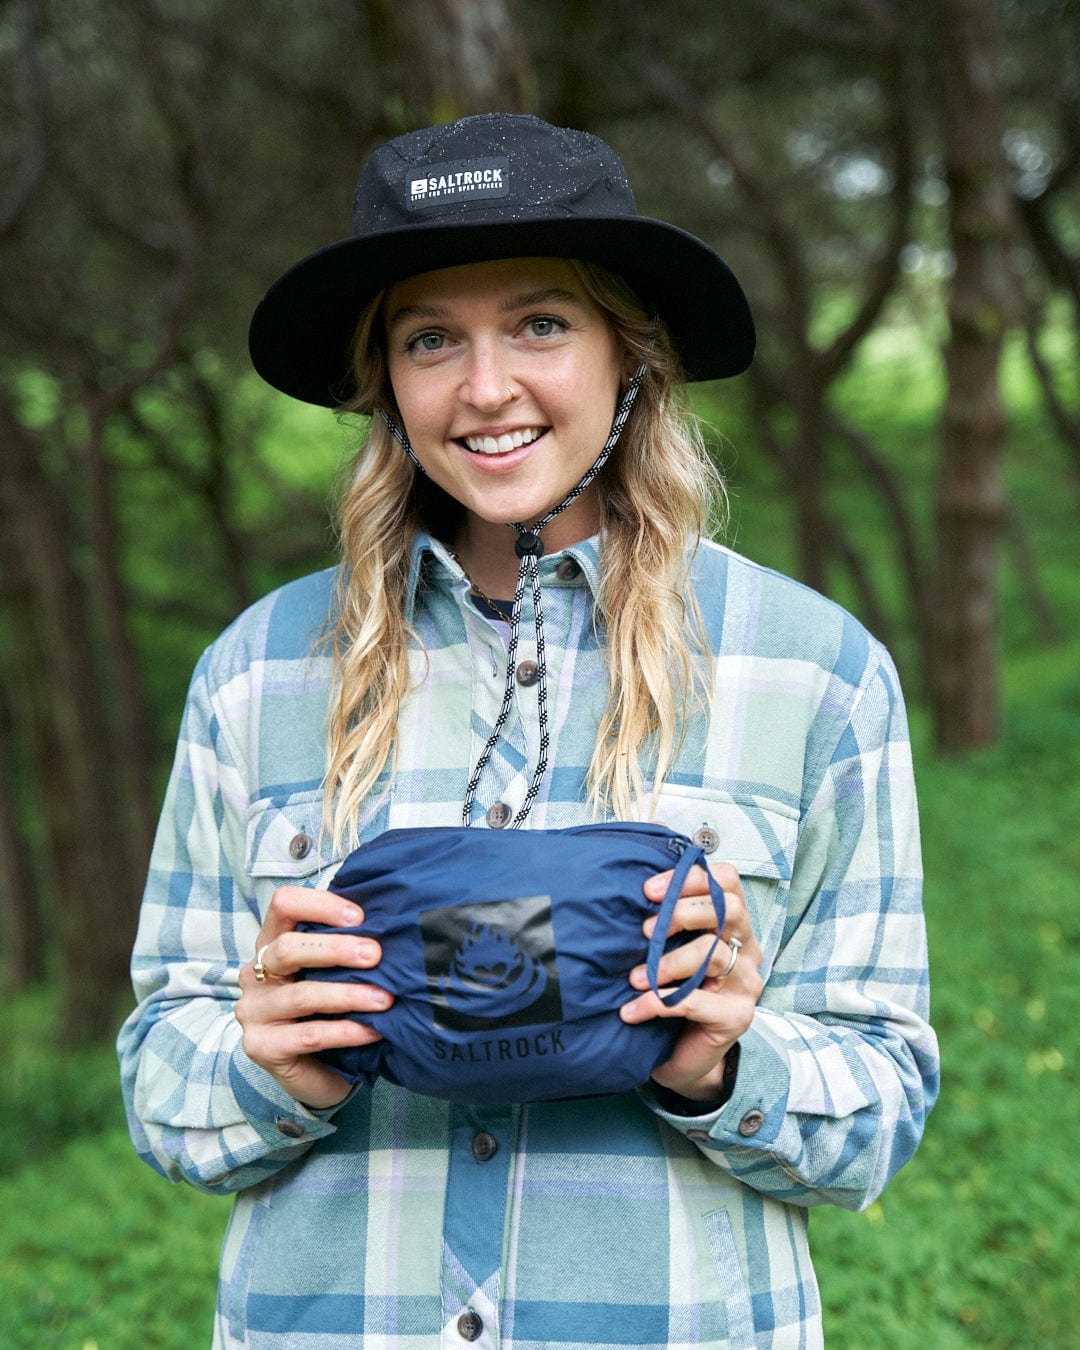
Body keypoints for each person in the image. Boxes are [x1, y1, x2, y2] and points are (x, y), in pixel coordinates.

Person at [118, 113, 938, 1349]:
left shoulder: (812, 672)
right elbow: (161, 1086)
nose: (485, 386)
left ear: (632, 353)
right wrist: (259, 1064)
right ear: (384, 381)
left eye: (541, 324)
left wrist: (722, 1064)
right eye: (430, 337)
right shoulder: (259, 673)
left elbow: (879, 1102)